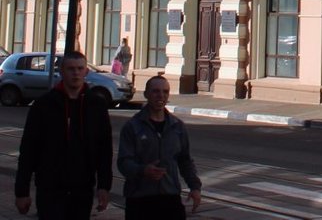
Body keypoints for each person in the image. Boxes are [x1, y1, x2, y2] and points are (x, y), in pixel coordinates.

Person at [15, 49, 113, 218]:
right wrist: (22, 191)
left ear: (86, 71)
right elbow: (29, 149)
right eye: (71, 69)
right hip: (50, 187)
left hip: (82, 188)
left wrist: (104, 186)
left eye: (80, 68)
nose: (76, 73)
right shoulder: (44, 105)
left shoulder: (96, 105)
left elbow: (104, 149)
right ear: (61, 71)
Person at [117, 76, 202, 218]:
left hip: (170, 197)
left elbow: (185, 160)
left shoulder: (177, 126)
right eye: (156, 91)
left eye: (165, 92)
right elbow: (123, 162)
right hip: (140, 199)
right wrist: (143, 170)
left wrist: (195, 187)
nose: (161, 95)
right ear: (146, 94)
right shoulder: (132, 127)